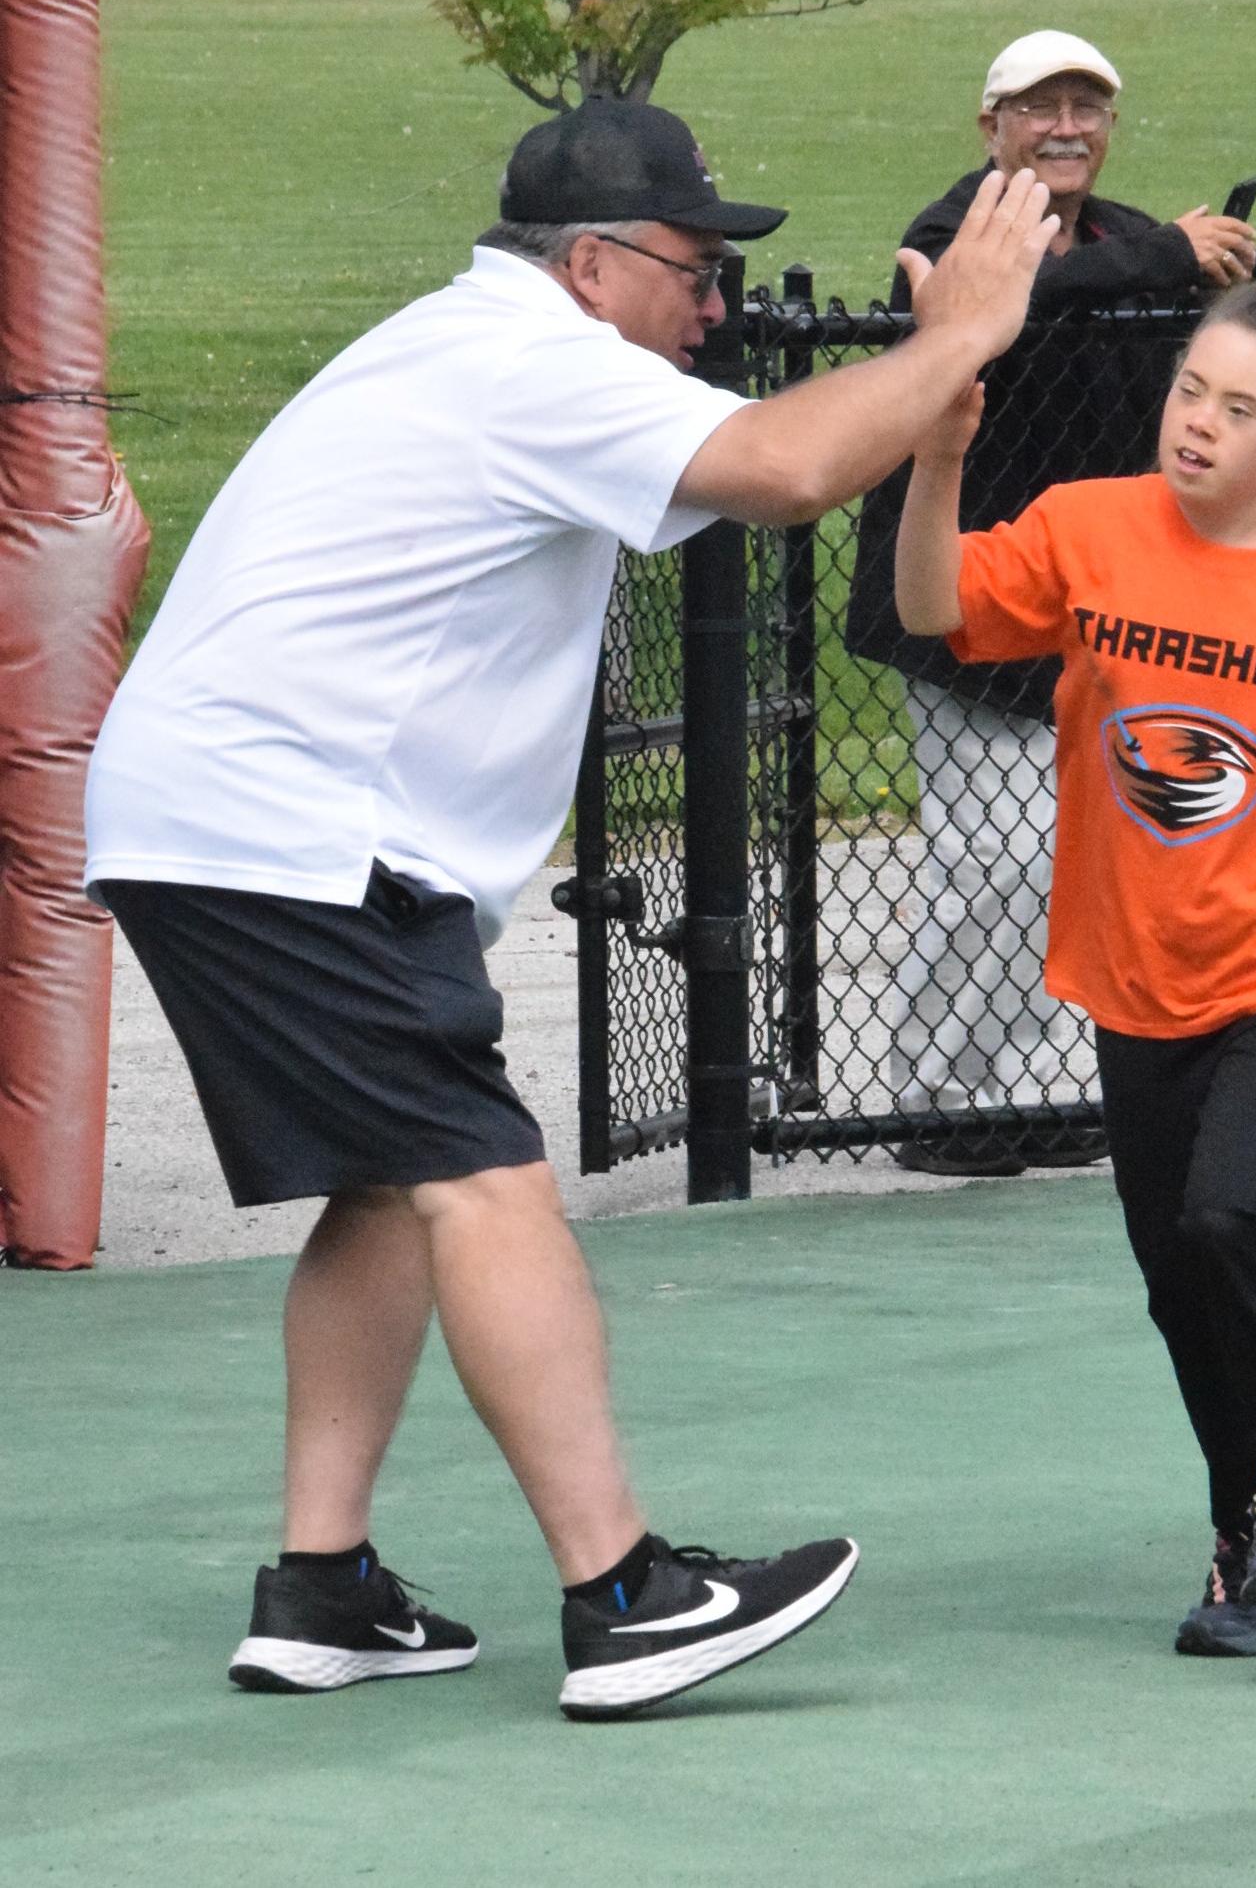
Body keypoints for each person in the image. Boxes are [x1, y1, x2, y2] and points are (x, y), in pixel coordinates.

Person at [83, 99, 1059, 1718]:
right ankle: (625, 1592)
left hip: (243, 819)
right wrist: (967, 325)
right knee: (483, 1176)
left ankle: (321, 1587)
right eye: (695, 266)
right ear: (594, 266)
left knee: (397, 1185)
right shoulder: (530, 362)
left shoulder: (469, 348)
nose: (718, 304)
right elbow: (789, 468)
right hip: (289, 824)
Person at [894, 279, 1256, 1659]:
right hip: (1134, 976)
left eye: (1238, 410)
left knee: (1229, 1212)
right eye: (1189, 394)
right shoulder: (1089, 529)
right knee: (1177, 1277)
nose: (1199, 426)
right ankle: (1246, 1544)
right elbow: (936, 604)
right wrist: (938, 452)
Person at [845, 29, 1256, 1179]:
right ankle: (937, 1096)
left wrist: (1241, 265)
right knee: (1002, 848)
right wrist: (1164, 257)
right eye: (1040, 106)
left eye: (1087, 108)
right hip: (957, 600)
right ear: (990, 124)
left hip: (1080, 608)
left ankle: (990, 1090)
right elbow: (1008, 301)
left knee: (1068, 855)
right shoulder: (955, 231)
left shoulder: (1122, 235)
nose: (1066, 126)